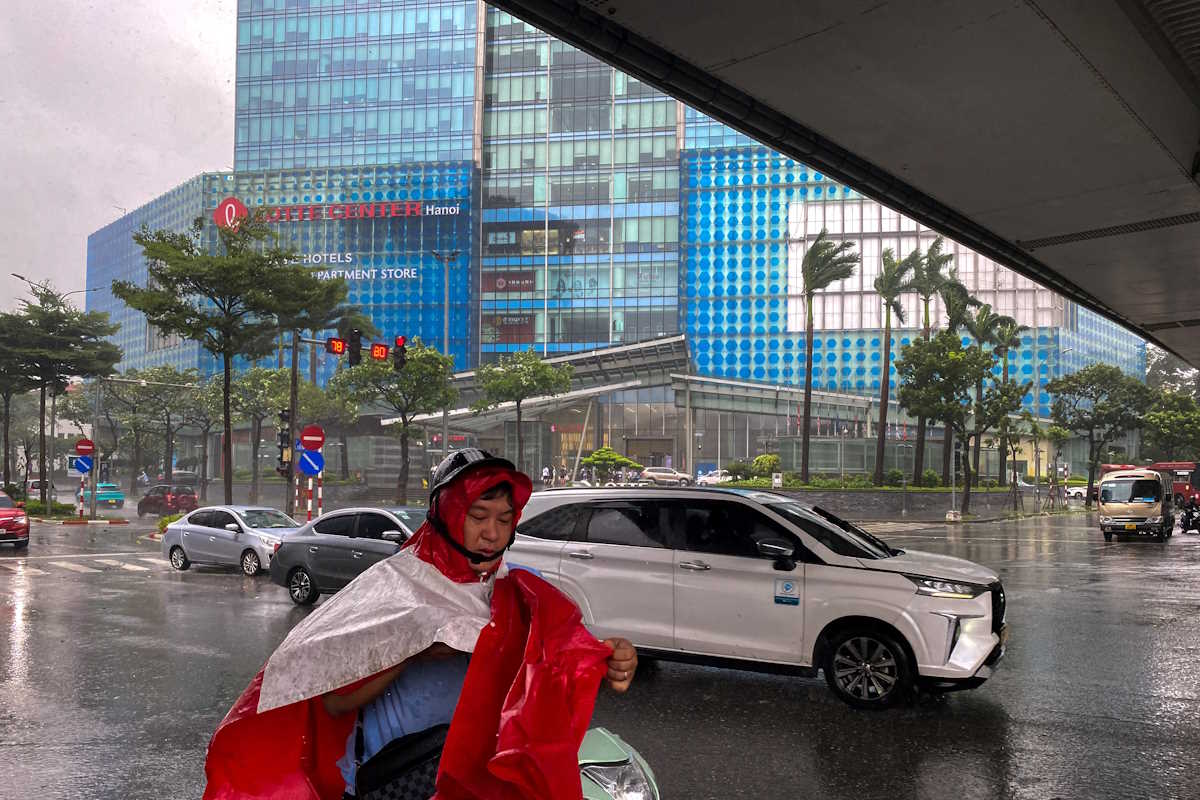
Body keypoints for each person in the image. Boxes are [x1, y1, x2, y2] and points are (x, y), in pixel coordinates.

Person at [204, 449, 637, 800]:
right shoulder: (391, 586)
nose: (492, 533)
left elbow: (553, 668)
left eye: (504, 520)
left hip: (480, 783)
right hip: (393, 779)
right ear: (448, 513)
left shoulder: (521, 593)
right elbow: (335, 703)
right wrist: (417, 648)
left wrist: (607, 657)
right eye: (478, 516)